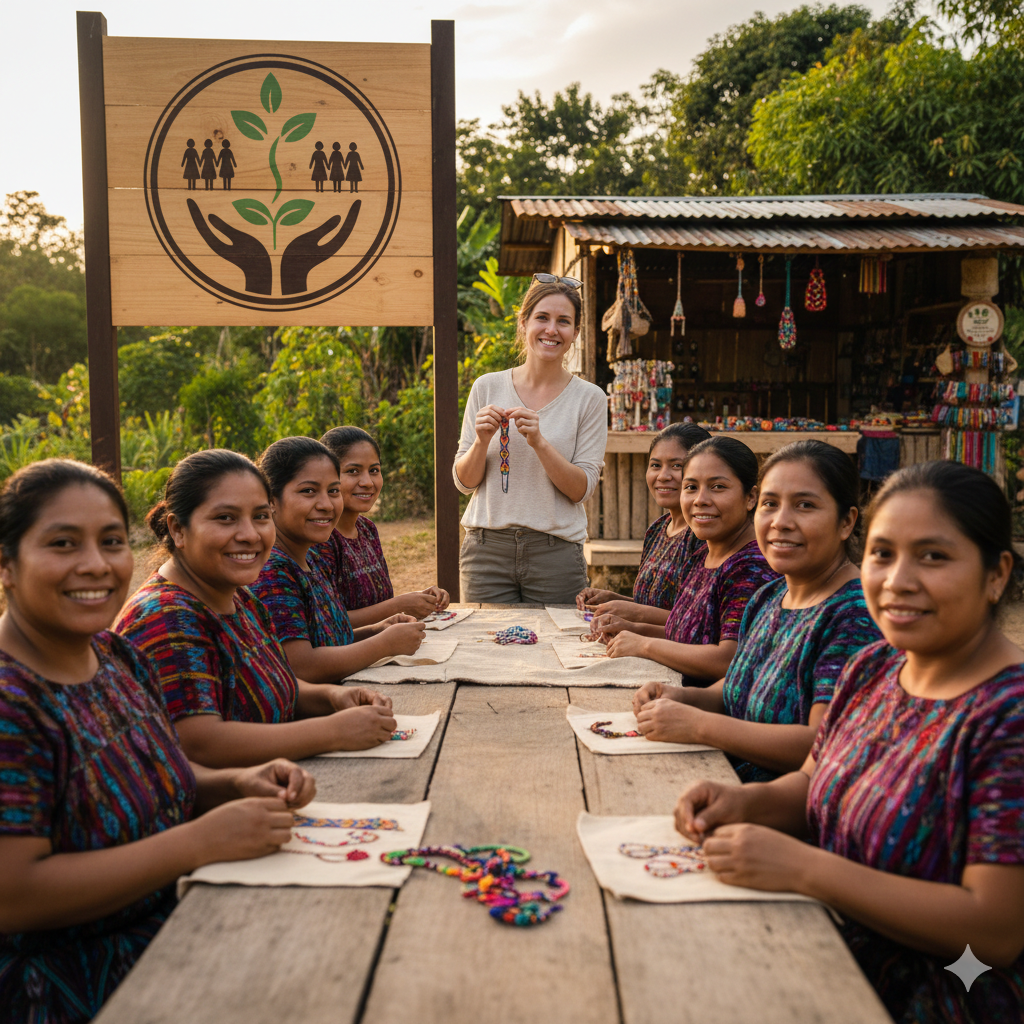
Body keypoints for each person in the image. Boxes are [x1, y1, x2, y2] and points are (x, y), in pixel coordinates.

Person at [675, 462, 1024, 1024]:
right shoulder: (875, 667)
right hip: (820, 943)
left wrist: (806, 870)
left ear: (996, 574)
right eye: (883, 554)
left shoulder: (1008, 715)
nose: (897, 580)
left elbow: (994, 932)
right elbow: (812, 781)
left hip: (942, 993)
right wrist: (741, 802)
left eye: (933, 556)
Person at [0, 459, 315, 1024]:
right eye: (63, 544)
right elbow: (14, 892)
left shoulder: (114, 657)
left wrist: (233, 783)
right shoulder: (11, 701)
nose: (95, 564)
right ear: (7, 563)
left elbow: (163, 771)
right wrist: (197, 842)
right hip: (75, 987)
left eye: (111, 541)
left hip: (189, 921)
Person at [116, 450, 398, 768]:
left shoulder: (239, 599)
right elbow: (201, 744)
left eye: (260, 517)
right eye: (226, 518)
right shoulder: (166, 618)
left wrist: (333, 699)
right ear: (178, 529)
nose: (250, 535)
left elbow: (274, 682)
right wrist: (334, 730)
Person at [631, 440, 881, 780]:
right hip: (716, 779)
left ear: (846, 522)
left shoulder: (853, 615)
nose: (781, 522)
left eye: (804, 505)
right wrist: (680, 697)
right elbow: (738, 686)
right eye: (770, 504)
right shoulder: (770, 596)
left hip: (771, 809)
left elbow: (822, 746)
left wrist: (700, 725)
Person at [454, 274, 606, 604]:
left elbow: (581, 489)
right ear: (523, 323)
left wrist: (540, 442)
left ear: (575, 333)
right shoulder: (486, 387)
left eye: (563, 321)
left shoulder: (590, 398)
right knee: (484, 650)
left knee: (560, 652)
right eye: (542, 318)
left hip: (556, 554)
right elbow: (464, 483)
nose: (552, 330)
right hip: (485, 551)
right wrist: (481, 441)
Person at [596, 436, 779, 684]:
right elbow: (685, 634)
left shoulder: (751, 565)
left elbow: (728, 659)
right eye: (691, 487)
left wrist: (644, 644)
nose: (700, 500)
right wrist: (631, 629)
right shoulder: (703, 555)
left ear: (750, 497)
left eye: (717, 487)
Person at [251, 436, 426, 682]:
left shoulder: (312, 561)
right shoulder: (272, 571)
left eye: (333, 491)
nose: (326, 504)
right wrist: (383, 645)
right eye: (308, 491)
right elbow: (301, 667)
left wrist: (378, 630)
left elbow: (331, 638)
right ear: (271, 501)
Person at [575, 423, 711, 627]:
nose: (663, 476)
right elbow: (651, 606)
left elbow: (696, 623)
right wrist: (612, 600)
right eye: (655, 465)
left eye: (676, 466)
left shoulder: (703, 534)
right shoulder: (657, 530)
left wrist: (631, 615)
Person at [315, 426, 449, 625]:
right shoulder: (321, 538)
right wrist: (399, 605)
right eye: (353, 471)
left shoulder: (367, 530)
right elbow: (329, 622)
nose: (368, 482)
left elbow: (379, 605)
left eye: (374, 470)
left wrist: (418, 600)